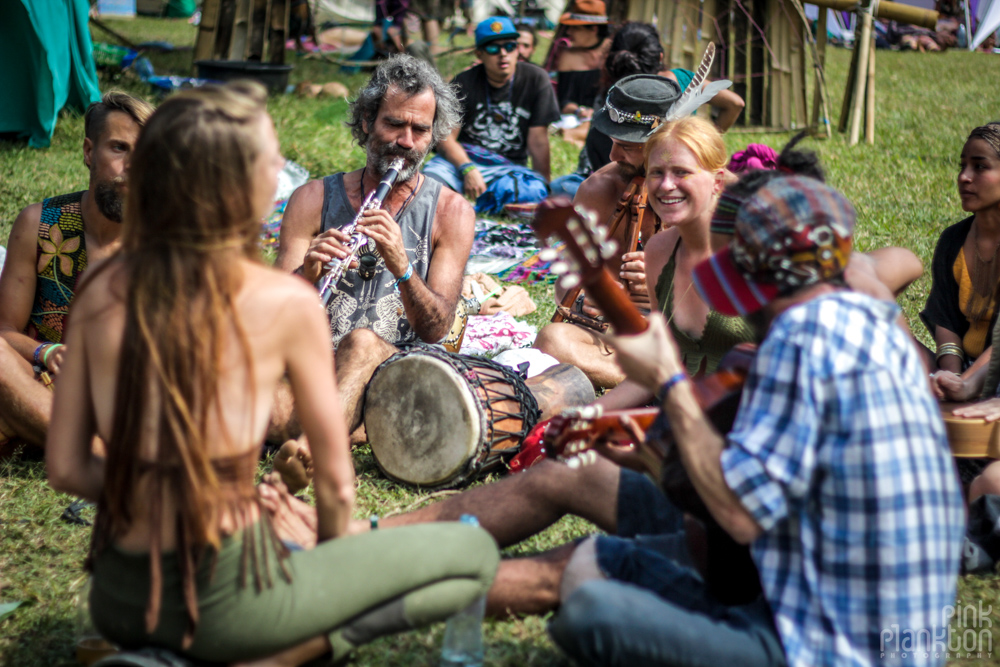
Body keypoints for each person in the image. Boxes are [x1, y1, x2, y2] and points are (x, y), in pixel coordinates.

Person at [45, 82, 498, 666]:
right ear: (247, 186)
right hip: (222, 597)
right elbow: (335, 489)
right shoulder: (281, 301)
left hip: (117, 592)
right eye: (270, 160)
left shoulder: (99, 288)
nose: (280, 171)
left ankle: (144, 653)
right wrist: (322, 560)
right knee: (474, 555)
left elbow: (67, 466)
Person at [550, 174, 965, 667]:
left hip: (828, 647)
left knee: (589, 610)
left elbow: (739, 516)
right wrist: (652, 452)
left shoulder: (799, 341)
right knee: (591, 569)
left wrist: (668, 381)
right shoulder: (871, 323)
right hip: (874, 623)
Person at [276, 54, 475, 445]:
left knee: (363, 342)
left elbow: (435, 330)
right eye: (394, 124)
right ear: (367, 121)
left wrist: (402, 266)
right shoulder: (312, 198)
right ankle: (348, 430)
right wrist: (308, 274)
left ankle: (315, 446)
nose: (406, 142)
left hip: (394, 375)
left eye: (420, 130)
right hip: (312, 367)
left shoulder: (452, 212)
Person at [536, 77, 730, 389]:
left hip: (697, 331)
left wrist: (662, 288)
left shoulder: (718, 190)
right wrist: (593, 296)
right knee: (552, 341)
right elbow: (565, 285)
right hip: (621, 337)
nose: (613, 155)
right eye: (612, 142)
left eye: (627, 145)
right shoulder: (597, 190)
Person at [0, 91, 153, 454]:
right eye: (119, 148)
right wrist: (47, 352)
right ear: (88, 152)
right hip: (37, 383)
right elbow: (5, 330)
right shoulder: (40, 225)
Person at [926, 122, 1000, 500]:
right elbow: (946, 320)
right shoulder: (954, 239)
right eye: (962, 165)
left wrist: (971, 382)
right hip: (963, 367)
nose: (964, 177)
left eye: (980, 166)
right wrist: (950, 375)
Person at [422, 16, 561, 207]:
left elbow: (538, 140)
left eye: (510, 46)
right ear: (479, 54)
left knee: (533, 191)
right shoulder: (463, 82)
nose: (503, 54)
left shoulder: (537, 79)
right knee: (428, 185)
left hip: (508, 168)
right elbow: (446, 138)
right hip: (464, 161)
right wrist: (467, 169)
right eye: (493, 48)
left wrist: (545, 188)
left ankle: (471, 201)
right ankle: (476, 201)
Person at [546, 0, 611, 119]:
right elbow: (564, 100)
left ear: (594, 29)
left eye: (575, 28)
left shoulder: (612, 52)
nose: (569, 32)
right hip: (576, 118)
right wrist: (579, 111)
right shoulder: (568, 56)